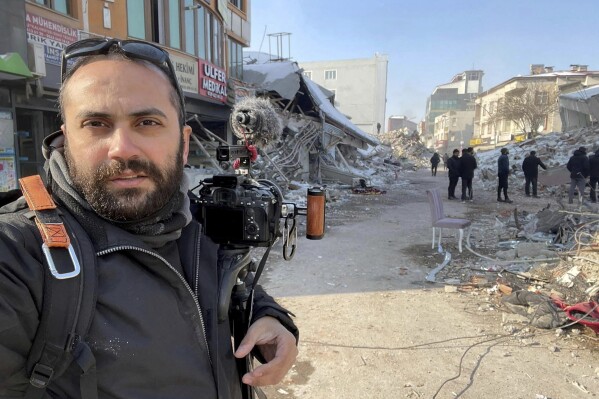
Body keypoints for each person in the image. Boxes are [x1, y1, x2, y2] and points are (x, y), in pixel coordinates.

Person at [0, 38, 298, 398]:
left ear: (184, 143)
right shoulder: (19, 253)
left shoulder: (195, 219)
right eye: (96, 123)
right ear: (66, 140)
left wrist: (267, 317)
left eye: (147, 121)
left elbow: (231, 281)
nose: (122, 148)